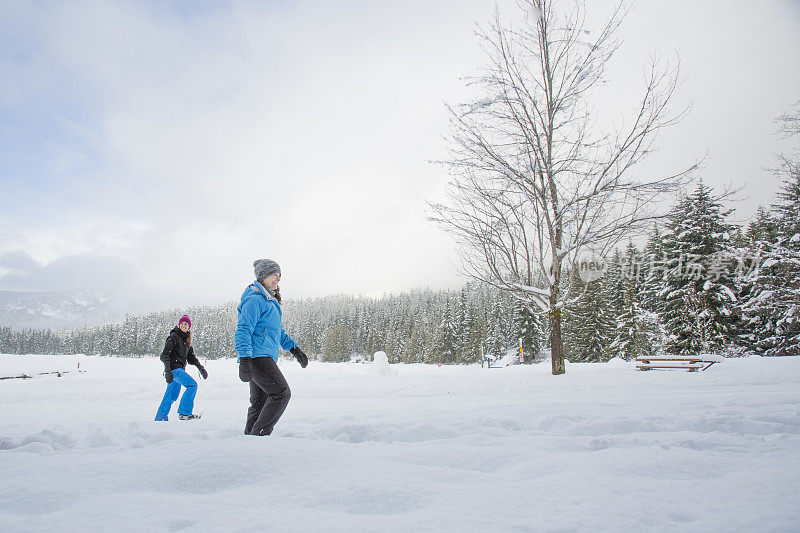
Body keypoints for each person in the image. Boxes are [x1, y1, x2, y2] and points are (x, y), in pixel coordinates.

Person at [235, 259, 308, 436]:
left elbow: (277, 332)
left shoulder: (269, 301)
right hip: (256, 357)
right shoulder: (254, 300)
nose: (278, 279)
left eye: (279, 275)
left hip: (263, 356)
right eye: (275, 274)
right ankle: (259, 435)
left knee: (259, 404)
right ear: (264, 276)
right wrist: (244, 359)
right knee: (281, 393)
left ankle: (249, 443)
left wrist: (294, 349)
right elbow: (243, 330)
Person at [155, 315, 208, 421]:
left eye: (186, 324)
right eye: (182, 324)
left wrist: (201, 368)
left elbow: (191, 358)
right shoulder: (174, 337)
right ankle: (184, 413)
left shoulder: (187, 342)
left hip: (177, 371)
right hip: (175, 370)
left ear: (189, 327)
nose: (184, 325)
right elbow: (164, 355)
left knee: (171, 395)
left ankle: (160, 419)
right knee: (192, 385)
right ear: (179, 325)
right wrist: (167, 370)